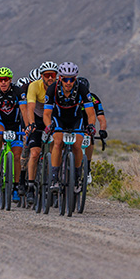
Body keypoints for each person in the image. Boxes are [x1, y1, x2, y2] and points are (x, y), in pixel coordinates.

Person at [42, 62, 97, 191]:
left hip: (76, 119)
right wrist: (49, 126)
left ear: (75, 79)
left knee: (78, 145)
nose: (68, 82)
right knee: (58, 142)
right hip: (58, 119)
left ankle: (77, 177)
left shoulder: (82, 88)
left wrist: (91, 126)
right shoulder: (52, 89)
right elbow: (47, 113)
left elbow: (90, 113)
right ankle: (55, 178)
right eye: (65, 79)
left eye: (71, 79)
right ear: (60, 78)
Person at [0, 67, 28, 202]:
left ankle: (16, 188)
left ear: (10, 80)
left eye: (6, 80)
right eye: (0, 80)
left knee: (17, 157)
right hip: (1, 123)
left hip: (15, 124)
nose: (3, 82)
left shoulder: (18, 91)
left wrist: (27, 126)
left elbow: (24, 110)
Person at [24, 61, 57, 198]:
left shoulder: (58, 87)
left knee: (56, 149)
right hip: (37, 119)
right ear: (42, 76)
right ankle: (31, 186)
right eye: (47, 75)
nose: (50, 78)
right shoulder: (34, 86)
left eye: (53, 75)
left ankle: (55, 180)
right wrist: (31, 124)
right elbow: (30, 108)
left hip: (52, 119)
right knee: (35, 153)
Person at [76, 76, 108, 185]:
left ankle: (87, 168)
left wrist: (102, 130)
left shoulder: (93, 98)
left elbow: (101, 117)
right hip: (73, 121)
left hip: (87, 123)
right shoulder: (72, 97)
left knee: (89, 138)